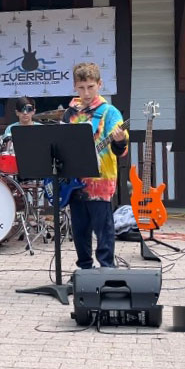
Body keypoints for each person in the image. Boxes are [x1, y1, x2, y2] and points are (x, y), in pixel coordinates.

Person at [63, 62, 128, 270]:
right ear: (75, 86)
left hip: (101, 181)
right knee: (79, 230)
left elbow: (121, 150)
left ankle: (107, 269)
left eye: (90, 87)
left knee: (104, 229)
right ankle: (84, 269)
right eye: (81, 88)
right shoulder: (70, 113)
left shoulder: (110, 112)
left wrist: (120, 140)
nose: (86, 93)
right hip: (74, 181)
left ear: (99, 84)